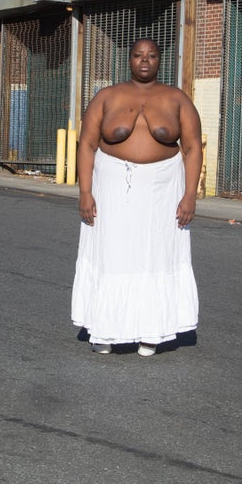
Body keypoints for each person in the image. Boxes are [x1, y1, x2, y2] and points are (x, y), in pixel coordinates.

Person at [71, 37, 201, 356]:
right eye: (138, 55)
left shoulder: (177, 99)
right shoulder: (107, 96)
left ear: (160, 60)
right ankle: (105, 328)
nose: (145, 61)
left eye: (152, 56)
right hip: (112, 188)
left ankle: (151, 330)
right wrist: (85, 192)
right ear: (129, 60)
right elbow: (86, 145)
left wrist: (189, 196)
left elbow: (193, 146)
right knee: (113, 254)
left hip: (162, 189)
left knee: (154, 255)